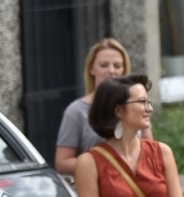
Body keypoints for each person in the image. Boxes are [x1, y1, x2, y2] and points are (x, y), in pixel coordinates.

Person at [55, 38, 130, 176]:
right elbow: (62, 162)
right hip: (96, 190)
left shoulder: (135, 106)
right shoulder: (76, 111)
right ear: (91, 69)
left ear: (124, 70)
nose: (111, 71)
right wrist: (105, 165)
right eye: (104, 65)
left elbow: (149, 152)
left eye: (118, 66)